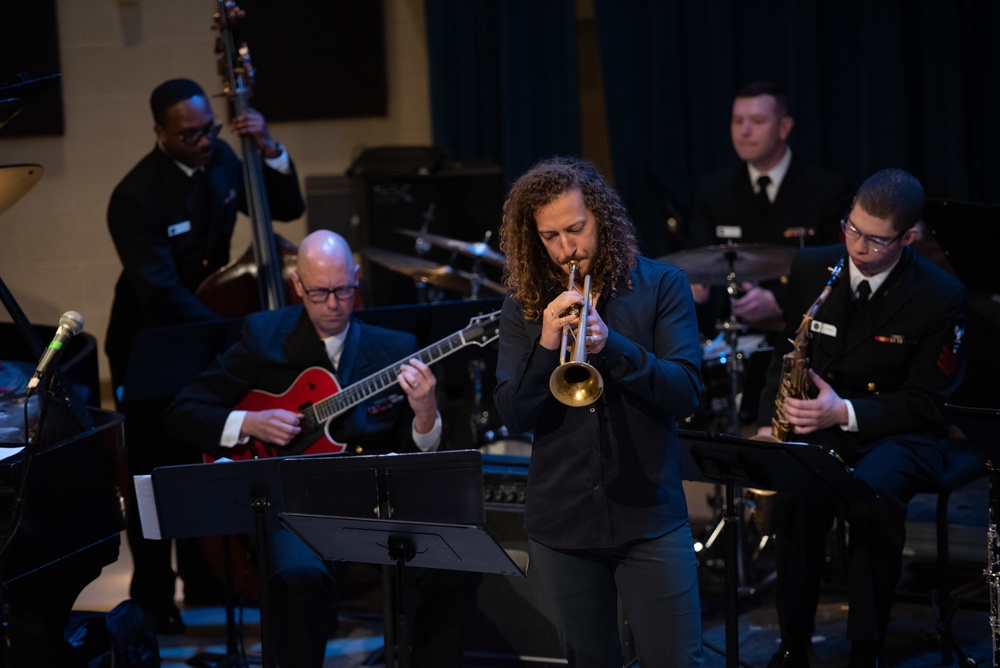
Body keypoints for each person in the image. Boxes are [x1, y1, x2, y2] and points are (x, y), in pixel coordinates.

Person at [164, 229, 472, 668]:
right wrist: (249, 422)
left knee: (453, 566)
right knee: (296, 577)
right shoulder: (263, 336)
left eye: (344, 290)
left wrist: (425, 413)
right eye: (320, 292)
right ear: (298, 287)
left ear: (357, 279)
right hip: (296, 505)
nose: (333, 304)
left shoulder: (394, 349)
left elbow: (418, 454)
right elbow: (183, 410)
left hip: (377, 504)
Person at [105, 78, 305, 633]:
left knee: (205, 453)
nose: (202, 141)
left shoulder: (223, 157)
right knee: (153, 464)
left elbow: (286, 206)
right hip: (153, 339)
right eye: (188, 134)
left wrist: (267, 147)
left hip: (213, 326)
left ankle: (205, 578)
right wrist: (236, 332)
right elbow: (160, 291)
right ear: (161, 133)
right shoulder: (134, 196)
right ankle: (153, 595)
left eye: (208, 130)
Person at [494, 156, 704, 667]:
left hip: (650, 517)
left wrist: (614, 347)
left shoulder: (661, 286)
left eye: (576, 229)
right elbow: (512, 414)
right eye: (550, 237)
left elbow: (686, 391)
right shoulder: (522, 306)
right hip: (563, 524)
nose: (567, 249)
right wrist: (546, 346)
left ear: (601, 219)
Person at [756, 168, 967, 668]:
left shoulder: (940, 295)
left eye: (875, 239)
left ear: (907, 237)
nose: (858, 245)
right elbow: (785, 352)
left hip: (900, 430)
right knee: (796, 495)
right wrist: (772, 418)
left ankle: (865, 647)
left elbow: (928, 403)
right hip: (822, 421)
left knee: (870, 495)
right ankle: (794, 641)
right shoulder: (812, 266)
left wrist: (844, 412)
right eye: (852, 228)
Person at [688, 80, 853, 327]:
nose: (744, 131)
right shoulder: (715, 189)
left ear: (784, 127)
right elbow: (694, 254)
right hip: (738, 330)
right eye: (737, 121)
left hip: (805, 327)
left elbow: (839, 266)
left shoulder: (826, 189)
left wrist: (778, 300)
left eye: (757, 121)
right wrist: (691, 282)